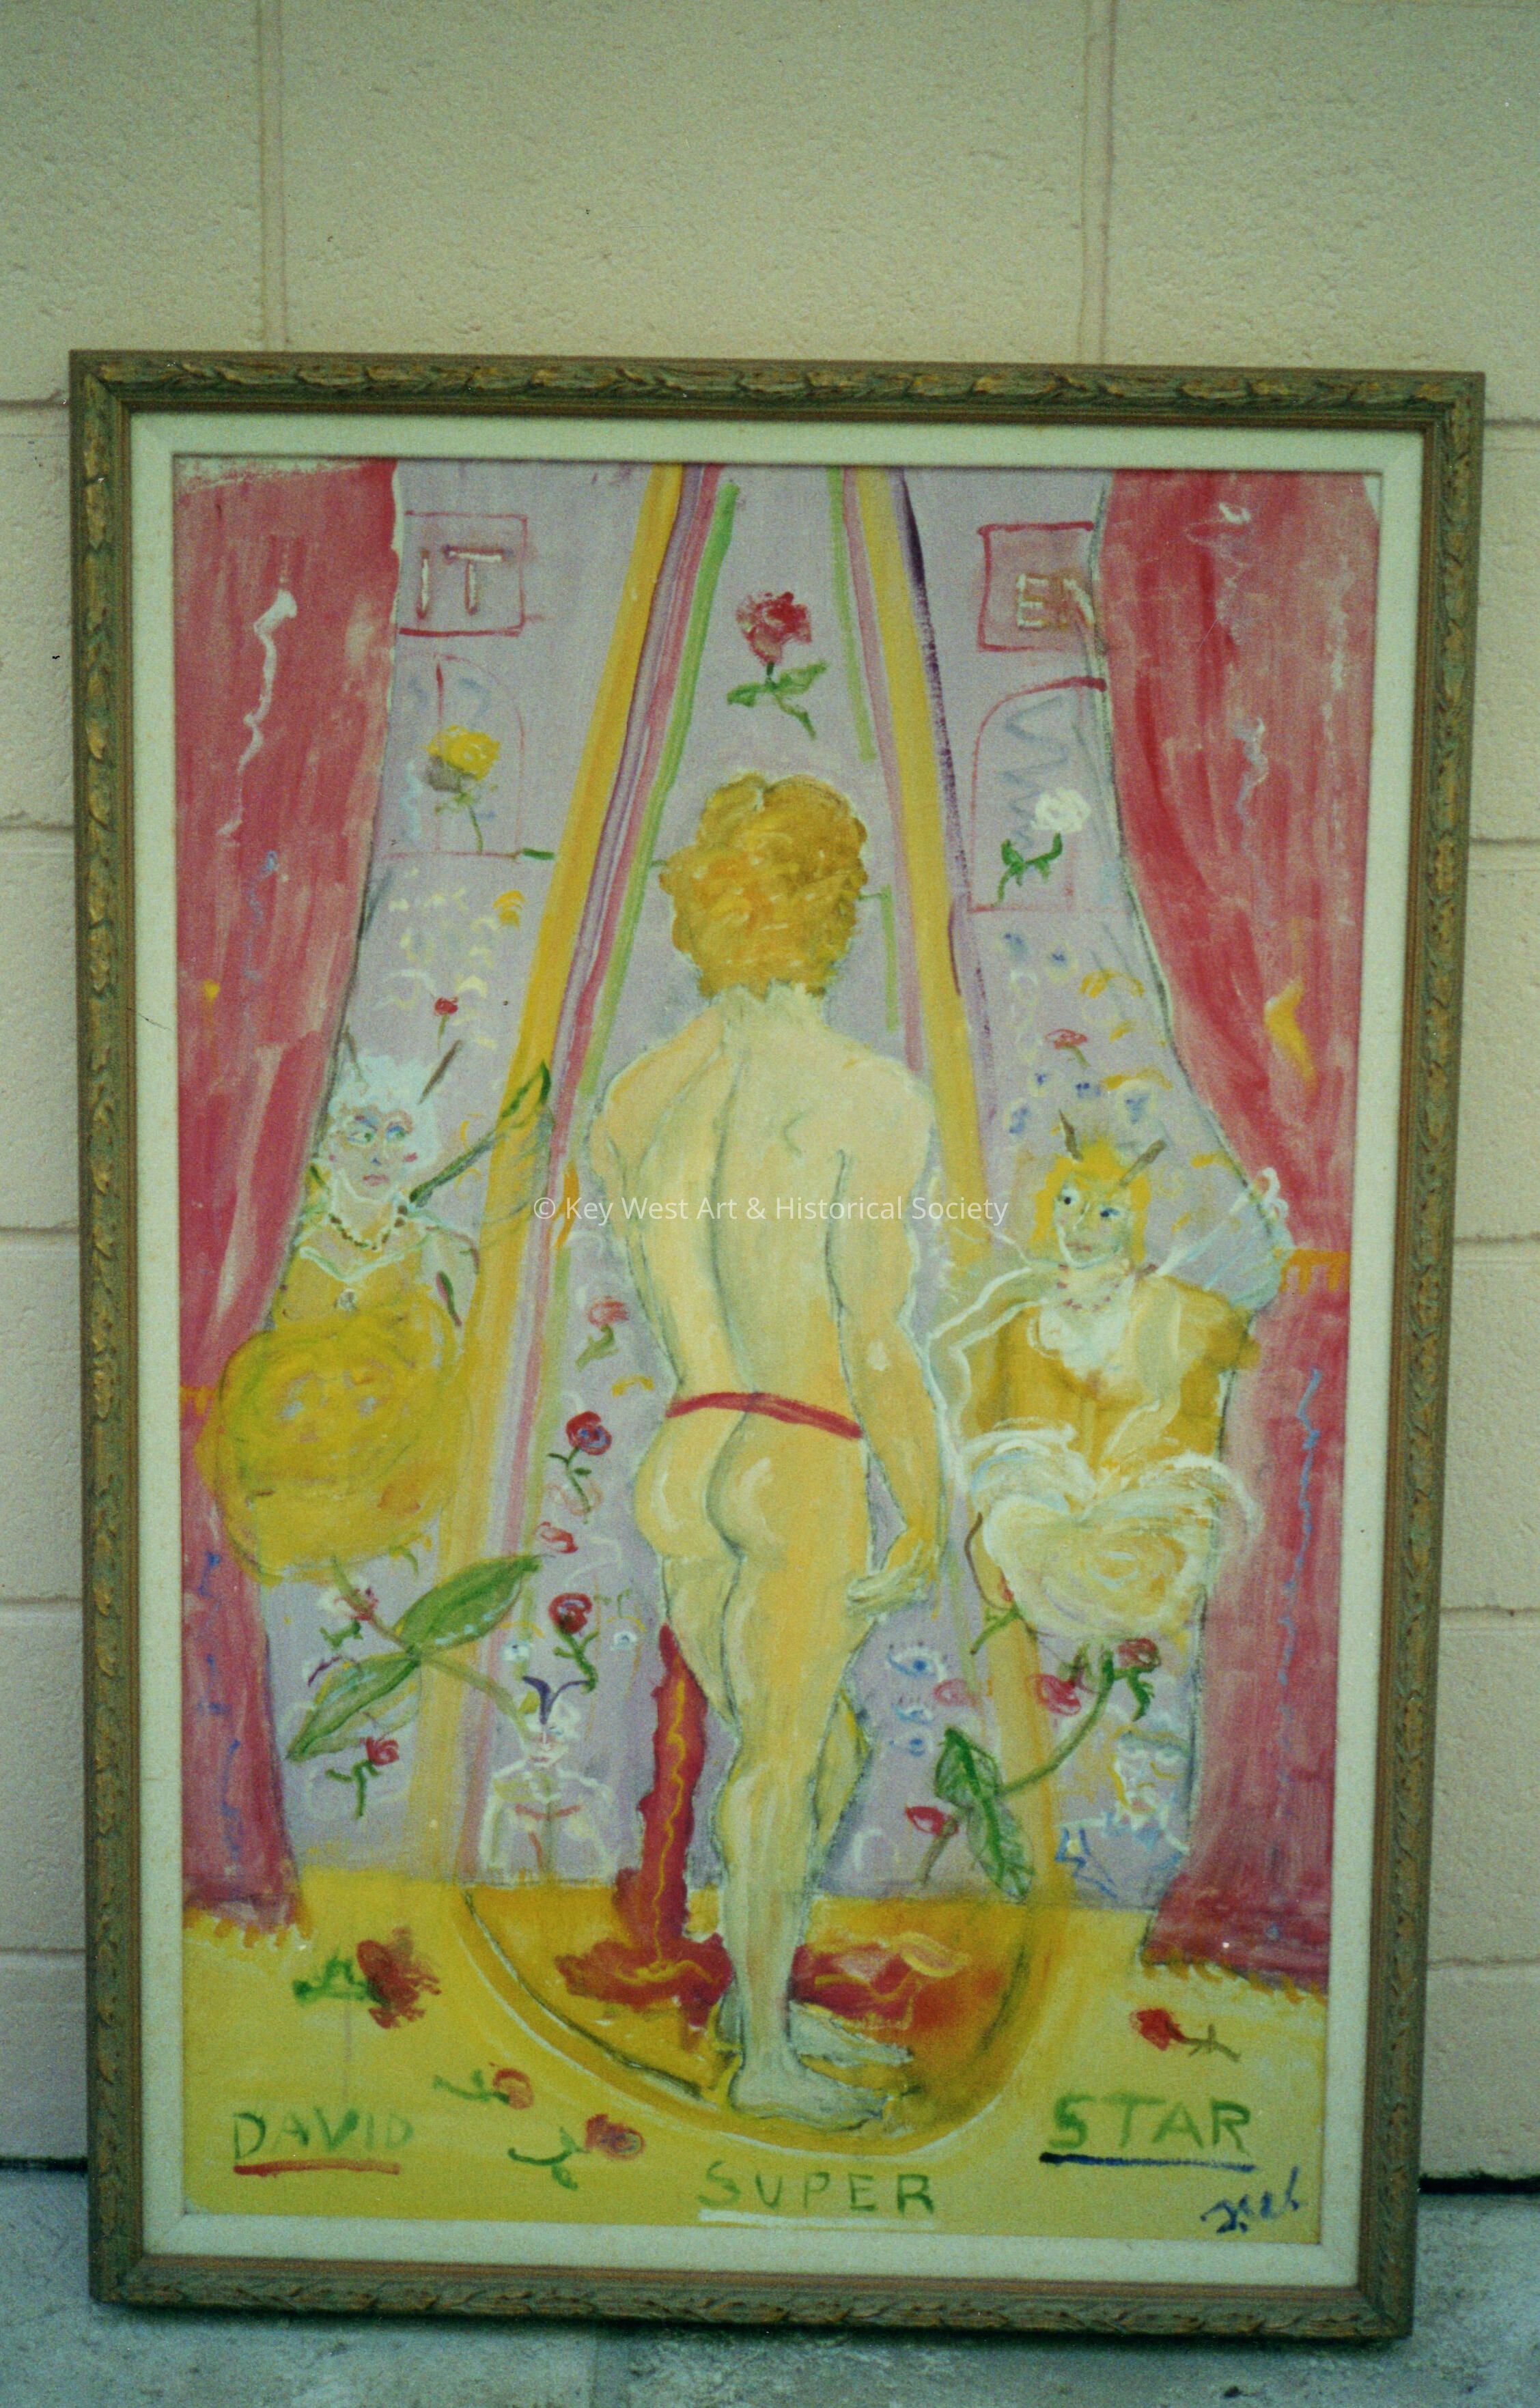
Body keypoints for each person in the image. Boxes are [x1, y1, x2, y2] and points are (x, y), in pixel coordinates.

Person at [589, 773, 942, 2127]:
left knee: (812, 1748)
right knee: (784, 1761)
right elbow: (874, 1333)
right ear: (829, 907)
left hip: (689, 1447)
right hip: (798, 1445)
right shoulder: (865, 1094)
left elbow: (657, 1272)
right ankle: (769, 2062)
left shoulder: (646, 1094)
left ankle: (757, 1996)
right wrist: (924, 1504)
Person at [930, 1122, 1257, 1654]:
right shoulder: (1017, 1319)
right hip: (1041, 1551)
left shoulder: (1183, 1313)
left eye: (1106, 1212)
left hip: (1149, 1544)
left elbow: (1219, 1406)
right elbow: (951, 1375)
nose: (1081, 1224)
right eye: (1069, 1201)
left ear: (1136, 1222)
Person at [197, 1055, 477, 1583]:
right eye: (361, 1133)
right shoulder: (283, 1238)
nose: (378, 1153)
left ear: (415, 1148)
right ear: (331, 1143)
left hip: (385, 1466)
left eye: (396, 1134)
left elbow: (452, 1359)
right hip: (282, 1454)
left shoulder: (439, 1248)